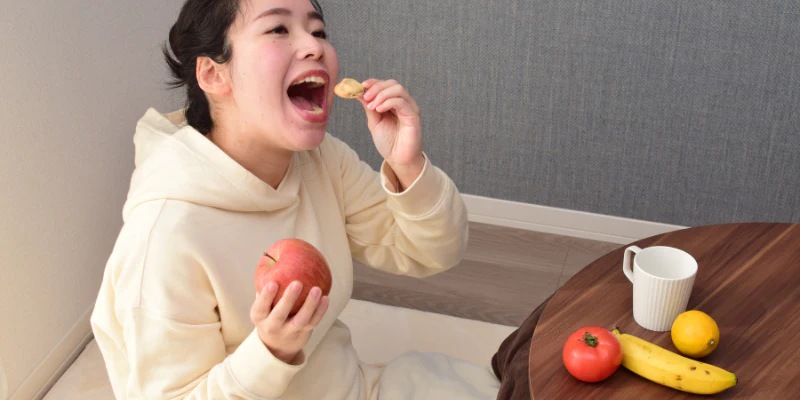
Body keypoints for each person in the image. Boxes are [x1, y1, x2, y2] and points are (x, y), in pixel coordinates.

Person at [90, 0, 500, 398]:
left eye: (318, 31)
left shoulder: (322, 161)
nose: (314, 47)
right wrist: (271, 352)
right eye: (278, 28)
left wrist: (406, 165)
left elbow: (433, 252)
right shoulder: (164, 234)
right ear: (213, 75)